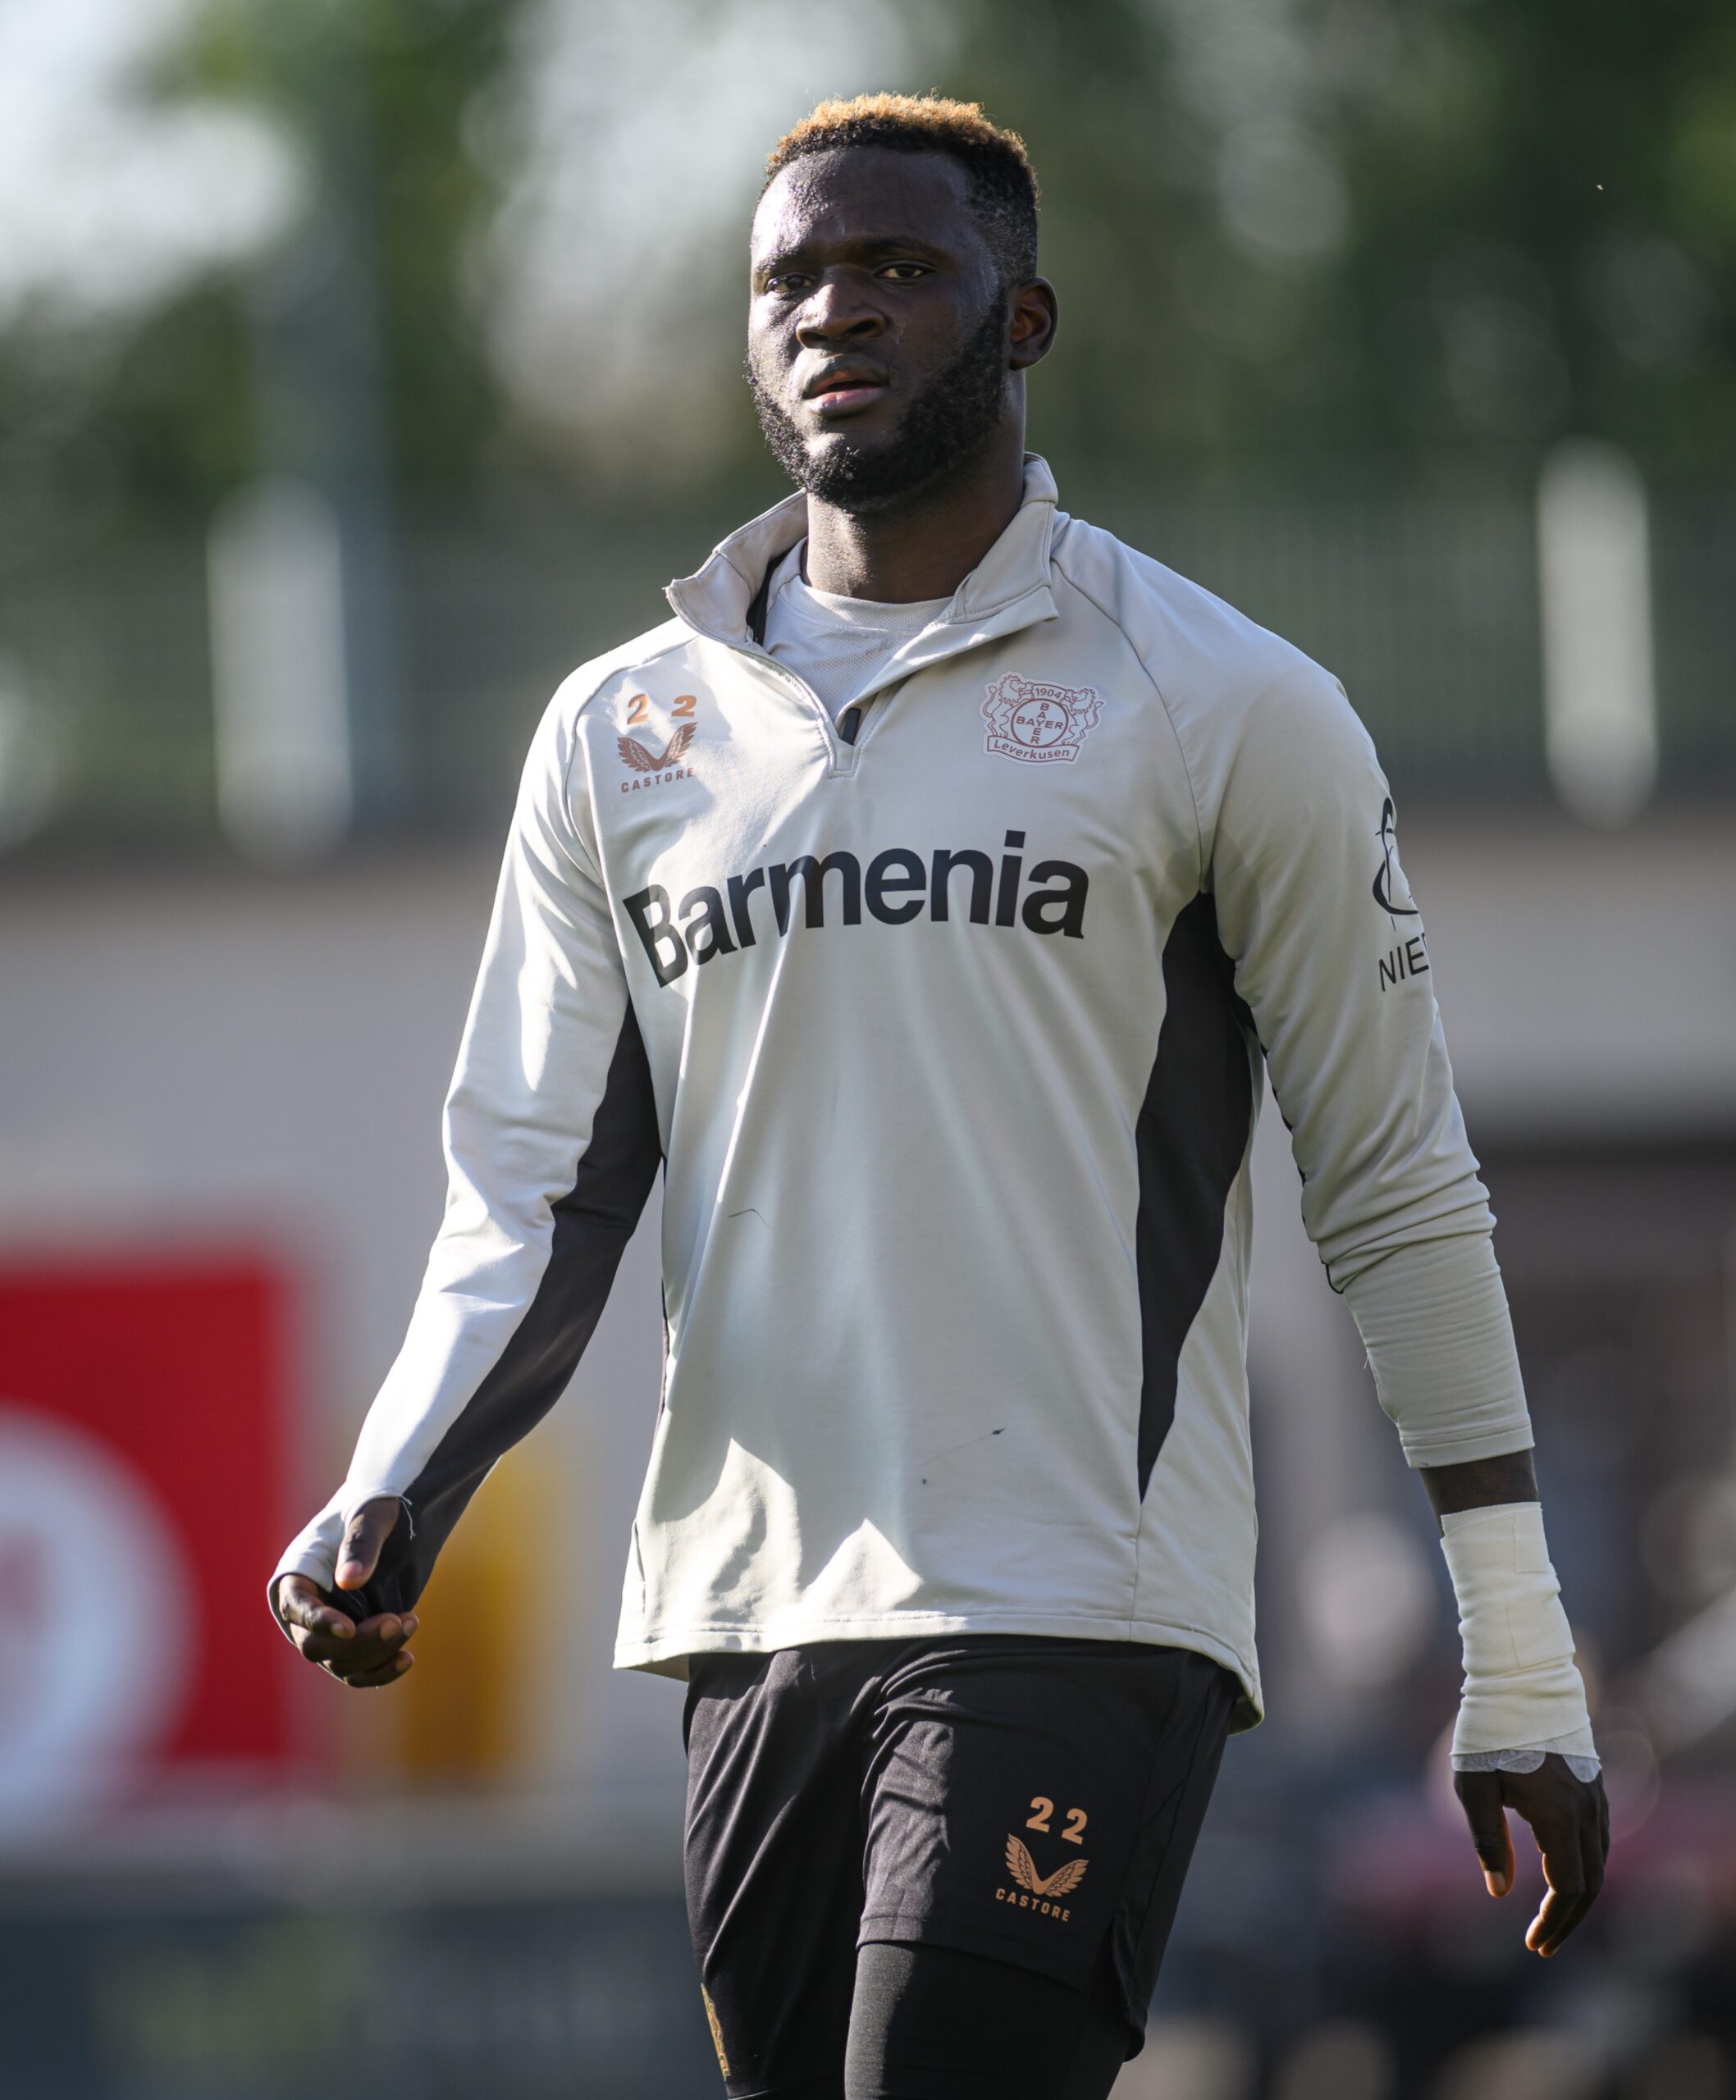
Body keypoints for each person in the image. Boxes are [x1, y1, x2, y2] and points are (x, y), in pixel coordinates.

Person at [272, 93, 1607, 2099]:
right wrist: (397, 1481)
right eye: (792, 278)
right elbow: (532, 1192)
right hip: (748, 1608)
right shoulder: (617, 734)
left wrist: (1520, 1651)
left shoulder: (1225, 702)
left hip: (1076, 1588)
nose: (837, 313)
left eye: (900, 268)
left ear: (1024, 318)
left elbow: (1400, 1189)